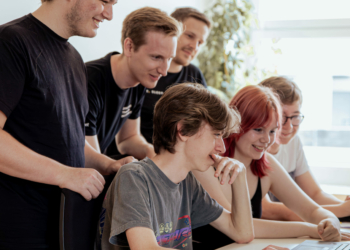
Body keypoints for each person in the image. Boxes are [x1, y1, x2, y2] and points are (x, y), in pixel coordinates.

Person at [0, 0, 135, 249]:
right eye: (105, 1)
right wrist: (63, 174)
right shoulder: (10, 41)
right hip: (16, 232)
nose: (110, 14)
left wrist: (109, 164)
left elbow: (68, 138)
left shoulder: (74, 59)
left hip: (65, 230)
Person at [99, 83, 254, 250]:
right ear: (183, 130)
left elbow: (242, 233)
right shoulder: (134, 177)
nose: (222, 148)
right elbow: (146, 248)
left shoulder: (188, 182)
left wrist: (240, 176)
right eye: (216, 134)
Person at [192, 85, 350, 246]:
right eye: (259, 129)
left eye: (272, 131)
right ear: (236, 126)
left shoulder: (266, 164)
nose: (266, 139)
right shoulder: (206, 164)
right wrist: (310, 229)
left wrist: (331, 222)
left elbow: (312, 210)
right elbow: (239, 226)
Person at [85, 7, 180, 160]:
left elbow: (127, 139)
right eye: (156, 57)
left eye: (169, 59)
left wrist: (152, 153)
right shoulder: (89, 80)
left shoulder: (141, 80)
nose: (164, 71)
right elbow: (87, 159)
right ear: (129, 47)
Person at [259, 76, 350, 221]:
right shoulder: (255, 149)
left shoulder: (293, 143)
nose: (289, 127)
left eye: (295, 117)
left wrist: (345, 207)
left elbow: (314, 194)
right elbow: (267, 210)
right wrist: (341, 209)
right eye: (282, 117)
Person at [140, 7, 210, 143]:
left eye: (200, 43)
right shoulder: (143, 69)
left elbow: (206, 125)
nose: (195, 46)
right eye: (190, 36)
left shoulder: (195, 76)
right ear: (171, 30)